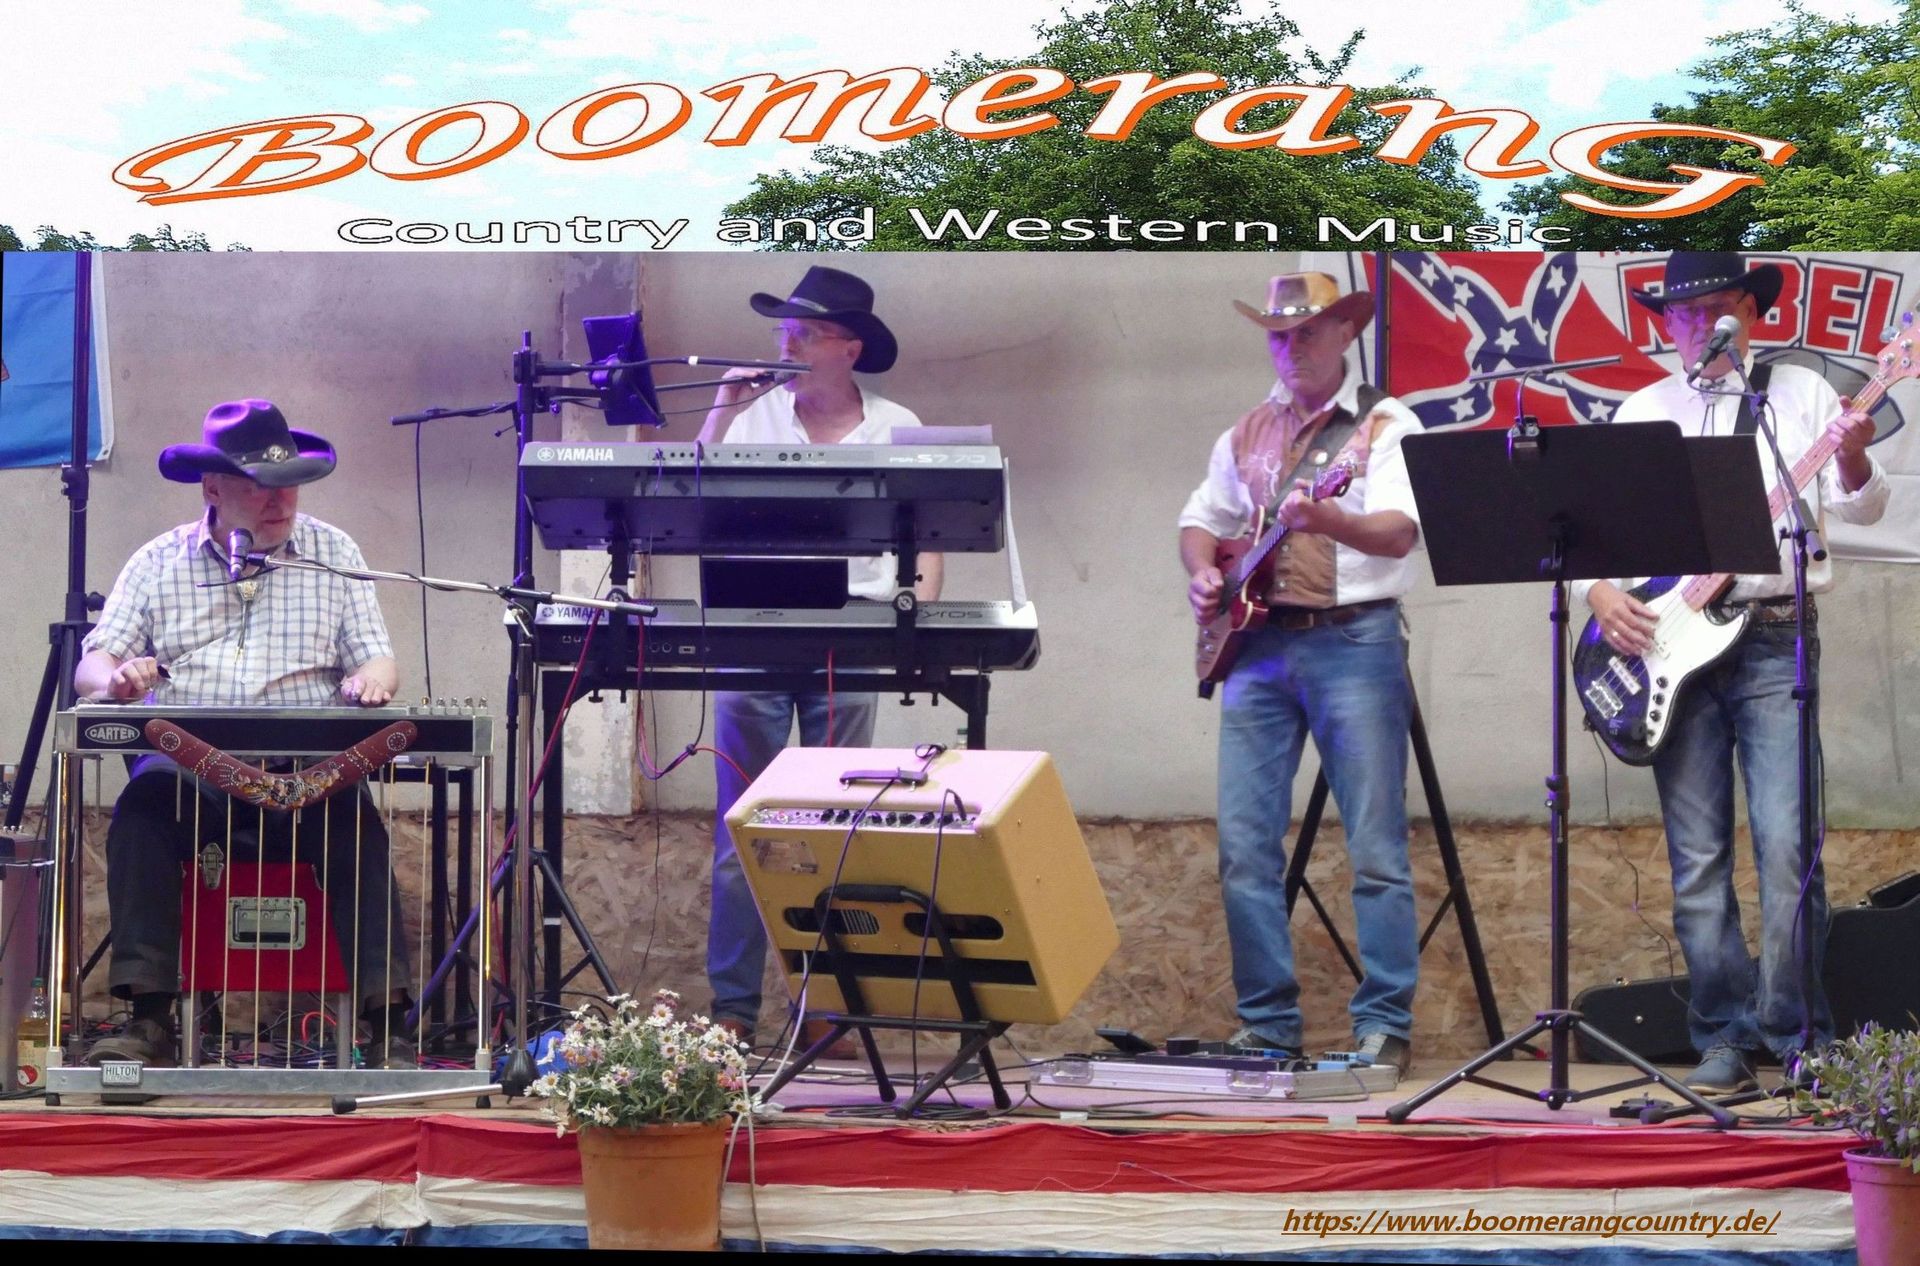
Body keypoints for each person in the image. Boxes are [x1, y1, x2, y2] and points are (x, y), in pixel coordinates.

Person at [1577, 252, 1888, 1093]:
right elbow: (1592, 532)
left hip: (1774, 637)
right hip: (1670, 651)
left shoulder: (1801, 395)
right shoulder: (1644, 410)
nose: (1696, 327)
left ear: (1749, 314)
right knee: (1698, 860)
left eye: (1713, 309)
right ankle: (1721, 1034)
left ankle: (1796, 1033)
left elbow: (1862, 504)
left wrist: (1853, 456)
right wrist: (1599, 592)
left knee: (1789, 850)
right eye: (1681, 314)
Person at [75, 399, 417, 1068]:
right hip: (192, 775)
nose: (279, 500)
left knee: (356, 824)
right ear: (212, 488)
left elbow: (378, 658)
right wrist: (115, 680)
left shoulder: (333, 553)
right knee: (142, 808)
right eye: (259, 485)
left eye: (289, 483)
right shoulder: (158, 561)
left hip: (306, 775)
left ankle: (389, 1028)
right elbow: (94, 663)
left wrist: (370, 682)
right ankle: (149, 1019)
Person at [1177, 272, 1424, 1076]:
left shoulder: (1384, 425)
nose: (1291, 349)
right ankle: (1267, 1024)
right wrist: (1203, 574)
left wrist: (1328, 519)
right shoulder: (1248, 428)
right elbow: (1202, 519)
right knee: (1244, 845)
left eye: (1308, 332)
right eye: (1279, 337)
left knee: (1375, 845)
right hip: (1257, 645)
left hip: (1354, 641)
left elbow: (1398, 534)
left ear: (1346, 333)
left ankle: (1383, 1024)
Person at [696, 266, 943, 1052]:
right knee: (743, 828)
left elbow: (930, 534)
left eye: (802, 332)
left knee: (838, 827)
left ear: (848, 347)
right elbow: (684, 493)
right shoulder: (754, 415)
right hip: (756, 633)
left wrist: (918, 621)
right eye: (782, 331)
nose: (786, 344)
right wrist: (723, 405)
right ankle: (735, 1010)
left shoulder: (897, 425)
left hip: (854, 635)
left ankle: (829, 1004)